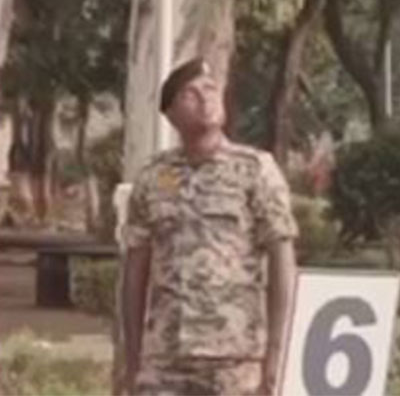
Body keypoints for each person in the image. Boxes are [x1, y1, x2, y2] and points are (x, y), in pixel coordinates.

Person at [118, 59, 299, 396]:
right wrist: (132, 362)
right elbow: (135, 270)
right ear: (171, 114)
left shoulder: (255, 170)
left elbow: (282, 260)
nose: (205, 98)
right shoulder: (152, 177)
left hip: (236, 360)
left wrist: (275, 355)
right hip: (165, 360)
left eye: (211, 89)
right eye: (191, 93)